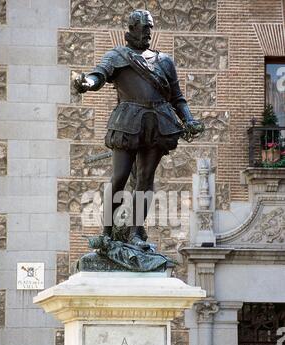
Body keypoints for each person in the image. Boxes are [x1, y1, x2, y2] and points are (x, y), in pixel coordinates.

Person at [74, 9, 204, 248]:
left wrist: (189, 120)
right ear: (131, 29)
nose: (148, 33)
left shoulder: (164, 61)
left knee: (145, 179)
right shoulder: (117, 56)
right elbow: (98, 76)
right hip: (128, 123)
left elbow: (178, 98)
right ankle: (107, 231)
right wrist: (86, 83)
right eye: (144, 28)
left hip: (158, 123)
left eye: (150, 28)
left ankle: (135, 232)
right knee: (120, 177)